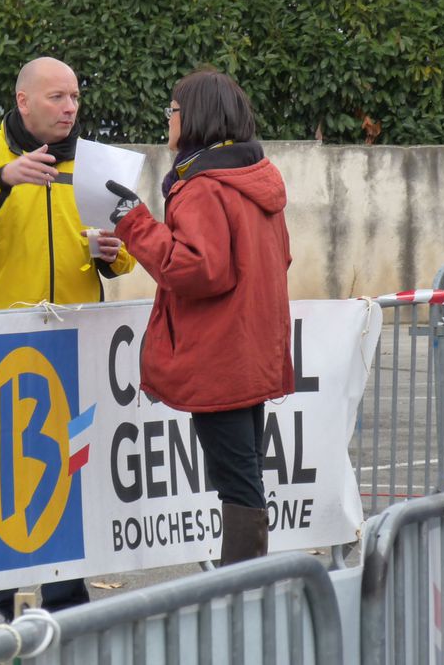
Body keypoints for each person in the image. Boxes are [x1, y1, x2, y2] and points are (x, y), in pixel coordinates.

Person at [0, 56, 136, 621]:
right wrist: (1, 179)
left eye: (74, 97)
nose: (70, 107)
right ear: (24, 102)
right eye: (57, 97)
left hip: (75, 341)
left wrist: (115, 256)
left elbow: (127, 251)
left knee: (68, 473)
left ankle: (67, 602)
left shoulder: (97, 163)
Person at [105, 69, 294, 566]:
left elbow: (193, 267)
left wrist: (133, 220)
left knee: (237, 480)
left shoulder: (204, 186)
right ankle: (247, 585)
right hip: (251, 350)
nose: (168, 119)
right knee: (245, 471)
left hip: (220, 358)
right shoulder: (255, 179)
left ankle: (243, 592)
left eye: (171, 110)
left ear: (193, 117)